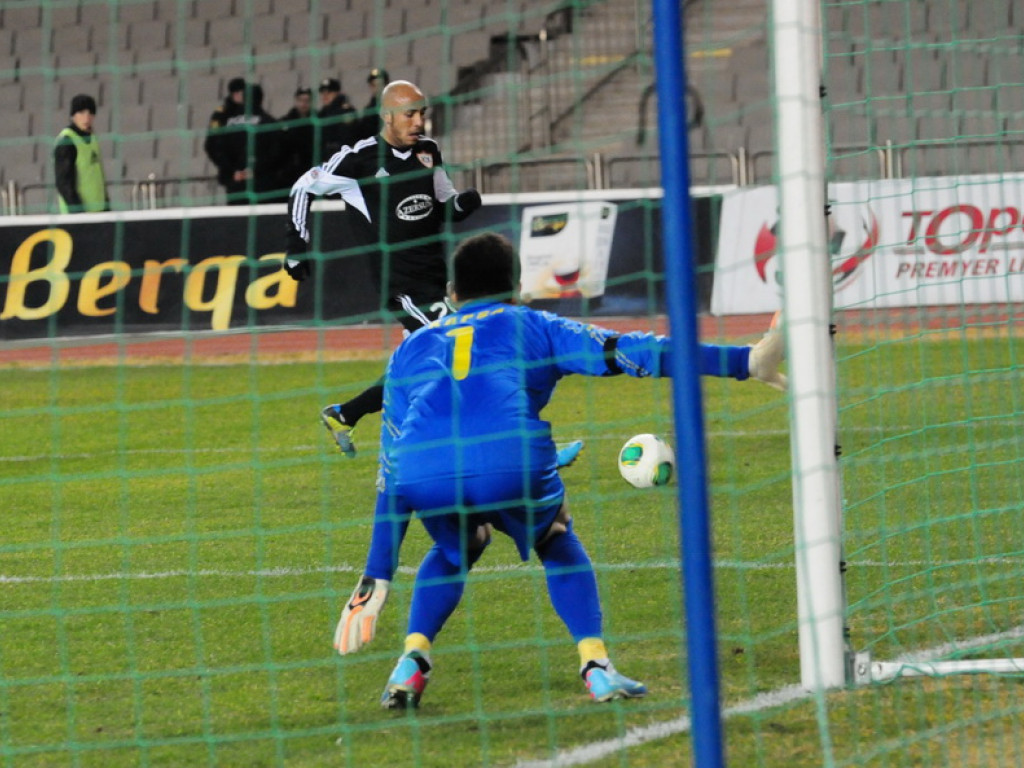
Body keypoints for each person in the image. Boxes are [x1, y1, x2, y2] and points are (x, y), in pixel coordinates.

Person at [329, 231, 787, 708]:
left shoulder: (411, 347)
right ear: (516, 288)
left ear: (452, 292)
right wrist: (743, 361)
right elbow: (630, 350)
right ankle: (596, 665)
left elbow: (391, 466)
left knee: (458, 545)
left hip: (423, 473)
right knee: (555, 535)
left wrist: (376, 575)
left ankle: (412, 660)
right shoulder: (533, 323)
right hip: (511, 461)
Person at [284, 79, 485, 458]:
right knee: (458, 348)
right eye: (409, 114)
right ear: (388, 115)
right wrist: (297, 248)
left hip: (435, 278)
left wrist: (464, 203)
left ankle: (345, 414)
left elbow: (444, 205)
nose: (418, 122)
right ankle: (500, 450)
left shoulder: (428, 151)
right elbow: (302, 188)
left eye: (422, 113)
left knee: (421, 363)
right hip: (400, 285)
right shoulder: (358, 159)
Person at [204, 79, 278, 204]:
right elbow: (212, 145)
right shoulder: (223, 114)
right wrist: (232, 171)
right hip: (248, 179)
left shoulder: (236, 120)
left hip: (246, 179)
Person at [54, 94, 109, 213]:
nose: (86, 118)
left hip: (98, 210)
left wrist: (106, 205)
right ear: (73, 115)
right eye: (81, 113)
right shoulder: (67, 141)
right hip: (79, 215)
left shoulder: (92, 137)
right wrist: (78, 212)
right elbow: (63, 183)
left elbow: (97, 175)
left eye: (90, 113)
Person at [276, 86, 315, 192]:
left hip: (311, 171)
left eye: (307, 101)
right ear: (296, 101)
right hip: (289, 174)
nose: (303, 104)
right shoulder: (285, 122)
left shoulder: (316, 122)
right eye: (300, 100)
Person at [315, 76, 357, 161]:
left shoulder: (346, 111)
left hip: (342, 158)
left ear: (337, 93)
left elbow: (346, 138)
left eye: (329, 92)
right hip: (326, 159)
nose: (325, 95)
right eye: (323, 92)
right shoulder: (322, 114)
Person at [354, 67, 389, 141]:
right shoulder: (368, 109)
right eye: (373, 85)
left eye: (380, 84)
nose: (377, 88)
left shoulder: (394, 105)